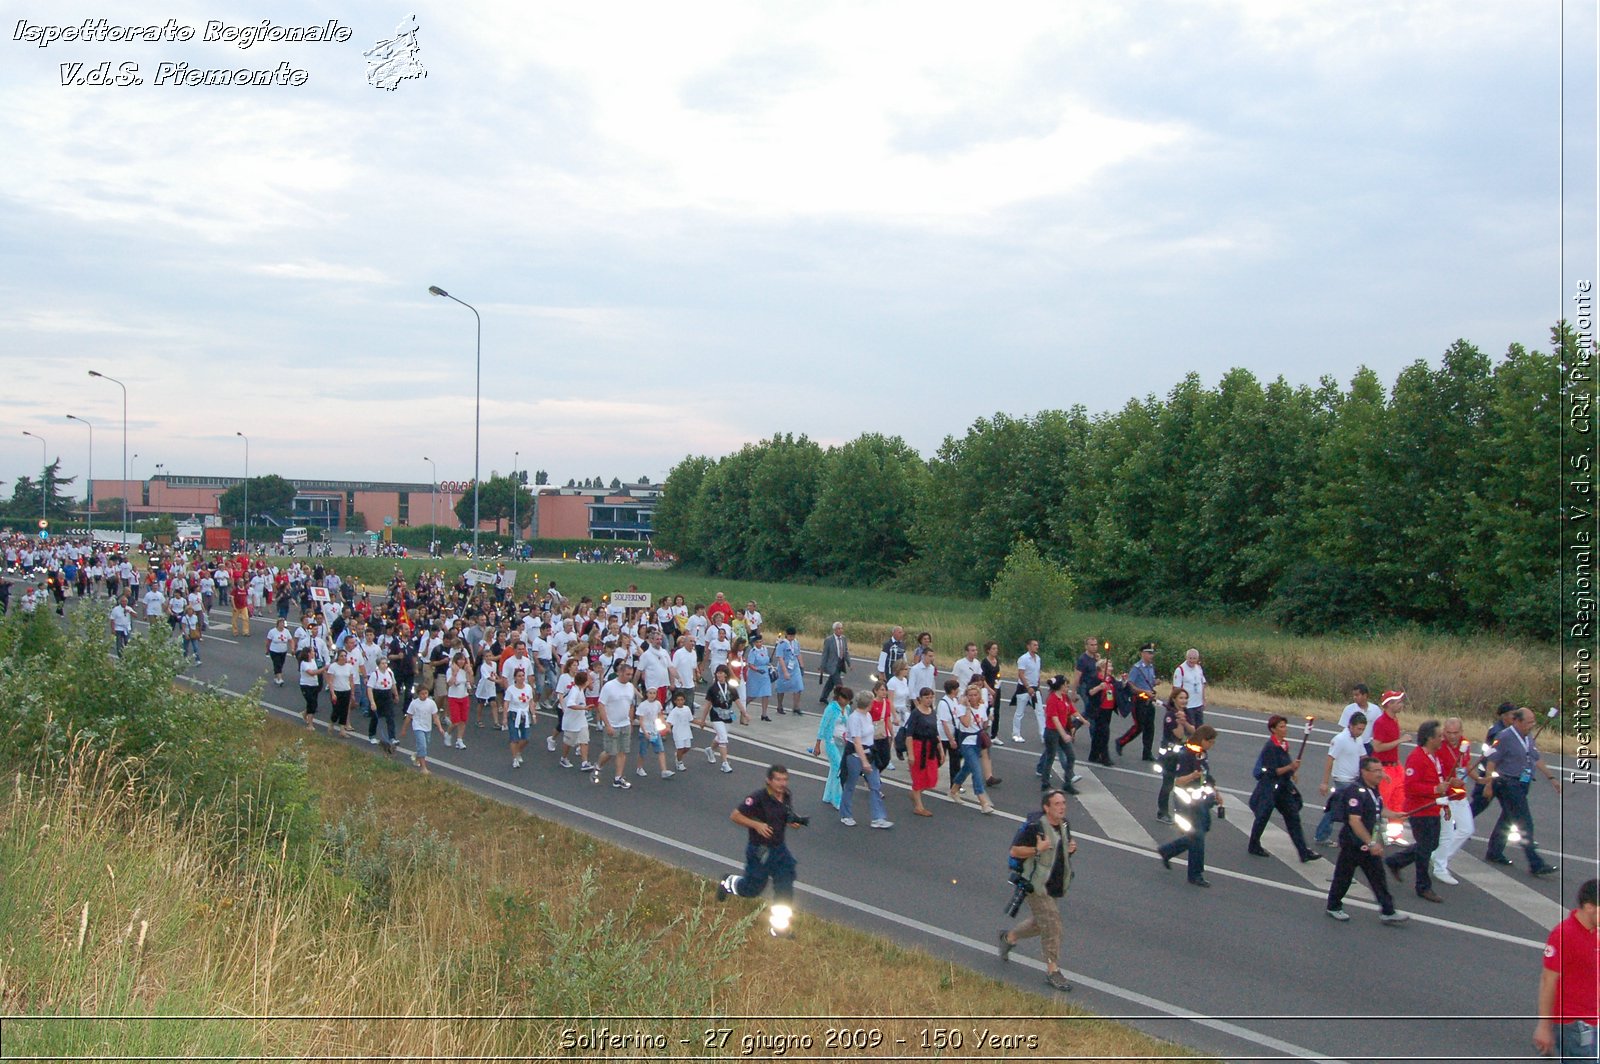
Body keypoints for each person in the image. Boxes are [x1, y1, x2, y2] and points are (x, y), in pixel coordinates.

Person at [999, 789, 1076, 992]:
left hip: (1055, 884)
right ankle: (1053, 970)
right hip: (1035, 884)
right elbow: (1014, 851)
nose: (1062, 807)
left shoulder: (1065, 824)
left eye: (1063, 803)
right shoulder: (1034, 828)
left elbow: (1061, 851)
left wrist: (1071, 849)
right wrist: (1037, 849)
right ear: (1046, 808)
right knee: (1052, 925)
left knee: (1040, 922)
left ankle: (1009, 937)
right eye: (1057, 804)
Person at [1324, 756, 1409, 925]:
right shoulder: (1355, 792)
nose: (1380, 774)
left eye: (1381, 770)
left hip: (1369, 842)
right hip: (1353, 843)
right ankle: (1333, 906)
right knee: (1344, 876)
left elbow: (1377, 810)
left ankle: (1388, 910)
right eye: (1376, 771)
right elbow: (1354, 821)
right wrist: (1370, 843)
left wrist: (1393, 814)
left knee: (1378, 877)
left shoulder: (1373, 789)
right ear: (1364, 772)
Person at [718, 765, 807, 917]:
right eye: (778, 779)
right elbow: (735, 815)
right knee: (752, 889)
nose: (782, 783)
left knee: (785, 882)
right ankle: (728, 882)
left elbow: (783, 813)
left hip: (779, 849)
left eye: (785, 779)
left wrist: (791, 820)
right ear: (769, 781)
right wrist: (756, 825)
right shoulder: (757, 798)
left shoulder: (786, 795)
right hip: (760, 850)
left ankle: (780, 927)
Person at [1485, 706, 1562, 876]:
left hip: (1522, 783)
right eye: (1528, 722)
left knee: (1507, 818)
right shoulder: (1504, 737)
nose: (1531, 725)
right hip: (1508, 784)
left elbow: (1535, 758)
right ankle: (1535, 863)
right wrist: (1488, 784)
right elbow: (1491, 761)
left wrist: (1552, 778)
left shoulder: (1527, 737)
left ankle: (1494, 851)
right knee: (1524, 823)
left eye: (1533, 722)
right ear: (1517, 721)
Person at [1384, 719, 1450, 903]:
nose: (1442, 739)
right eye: (1439, 736)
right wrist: (1435, 790)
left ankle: (1396, 861)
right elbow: (1411, 787)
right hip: (1420, 810)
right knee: (1425, 848)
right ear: (1429, 738)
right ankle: (1423, 886)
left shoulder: (1435, 756)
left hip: (1433, 808)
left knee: (1430, 844)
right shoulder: (1417, 758)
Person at [1534, 878, 1599, 1061]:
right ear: (1589, 907)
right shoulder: (1564, 935)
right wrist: (1544, 1027)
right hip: (1574, 1025)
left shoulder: (1594, 932)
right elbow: (1548, 981)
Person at [1246, 715, 1322, 864]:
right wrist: (1290, 767)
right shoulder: (1270, 747)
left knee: (1293, 818)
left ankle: (1303, 851)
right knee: (1262, 817)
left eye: (1285, 726)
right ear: (1273, 729)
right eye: (1281, 726)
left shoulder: (1284, 744)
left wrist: (1292, 773)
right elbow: (1272, 771)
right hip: (1270, 788)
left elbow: (1285, 764)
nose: (1284, 729)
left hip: (1283, 788)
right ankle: (1253, 844)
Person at [1156, 725, 1223, 887]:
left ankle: (1168, 850)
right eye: (1211, 742)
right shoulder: (1186, 755)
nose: (1212, 746)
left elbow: (1207, 775)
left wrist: (1216, 792)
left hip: (1200, 800)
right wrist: (1193, 775)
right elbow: (1178, 781)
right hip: (1186, 801)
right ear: (1203, 740)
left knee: (1204, 828)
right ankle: (1195, 874)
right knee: (1197, 836)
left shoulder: (1201, 753)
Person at [1433, 716, 1483, 885]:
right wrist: (1447, 782)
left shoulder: (1465, 744)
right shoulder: (1439, 746)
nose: (1452, 736)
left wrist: (1478, 779)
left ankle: (1440, 856)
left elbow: (1466, 766)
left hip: (1459, 793)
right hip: (1444, 796)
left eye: (1456, 732)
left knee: (1467, 829)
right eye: (1448, 732)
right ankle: (1440, 866)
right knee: (1445, 834)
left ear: (1461, 731)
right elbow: (1435, 771)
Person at [839, 692, 893, 829]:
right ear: (869, 704)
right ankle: (846, 815)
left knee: (875, 785)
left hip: (869, 754)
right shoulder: (854, 718)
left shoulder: (867, 716)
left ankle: (878, 817)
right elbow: (857, 742)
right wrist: (864, 762)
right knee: (850, 785)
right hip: (855, 756)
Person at [1314, 712, 1368, 846]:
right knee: (1338, 809)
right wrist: (1324, 782)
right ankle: (1322, 836)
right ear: (1350, 726)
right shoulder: (1340, 739)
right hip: (1342, 780)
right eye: (1358, 729)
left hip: (1353, 779)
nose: (1360, 732)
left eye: (1363, 729)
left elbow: (1363, 757)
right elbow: (1330, 760)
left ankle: (1328, 835)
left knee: (1344, 809)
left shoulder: (1358, 739)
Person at [595, 662, 636, 788]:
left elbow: (630, 705)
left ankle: (618, 777)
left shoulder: (630, 687)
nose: (629, 677)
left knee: (623, 751)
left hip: (625, 724)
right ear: (620, 673)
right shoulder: (609, 686)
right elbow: (601, 705)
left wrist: (631, 721)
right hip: (612, 723)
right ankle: (598, 766)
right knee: (610, 752)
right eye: (627, 674)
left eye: (631, 674)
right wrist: (607, 724)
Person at [1037, 675, 1080, 794]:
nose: (1067, 688)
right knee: (1050, 757)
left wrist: (1081, 719)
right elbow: (1054, 719)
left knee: (1071, 756)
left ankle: (1067, 782)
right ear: (1060, 686)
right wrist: (1064, 734)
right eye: (1066, 686)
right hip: (1052, 732)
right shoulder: (1052, 699)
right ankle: (1045, 783)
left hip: (1062, 731)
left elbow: (1072, 710)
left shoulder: (1064, 698)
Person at [1154, 689, 1193, 823]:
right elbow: (1179, 734)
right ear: (1174, 699)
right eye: (1181, 698)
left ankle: (1183, 811)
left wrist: (1185, 720)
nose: (1184, 701)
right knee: (1168, 784)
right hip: (1169, 755)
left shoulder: (1186, 712)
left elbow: (1193, 730)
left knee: (1185, 784)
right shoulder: (1170, 715)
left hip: (1183, 755)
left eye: (1185, 698)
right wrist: (1180, 722)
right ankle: (1162, 812)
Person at [905, 687, 944, 818]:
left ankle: (914, 793)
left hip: (930, 746)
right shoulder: (916, 713)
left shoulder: (932, 712)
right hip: (918, 746)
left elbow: (936, 732)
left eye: (931, 697)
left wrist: (941, 750)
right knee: (919, 776)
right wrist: (910, 754)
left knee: (932, 777)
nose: (929, 700)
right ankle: (919, 806)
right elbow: (909, 734)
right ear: (920, 698)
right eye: (926, 697)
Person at [1117, 642, 1159, 760]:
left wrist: (1155, 683)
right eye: (1148, 653)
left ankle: (1147, 753)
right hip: (1139, 700)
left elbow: (1149, 682)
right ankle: (1121, 742)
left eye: (1152, 653)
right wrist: (1144, 692)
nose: (1151, 656)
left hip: (1149, 701)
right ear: (1142, 654)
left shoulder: (1150, 667)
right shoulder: (1137, 668)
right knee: (1139, 726)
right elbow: (1131, 685)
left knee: (1150, 728)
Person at [696, 664, 737, 774]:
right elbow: (707, 705)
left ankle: (710, 749)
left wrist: (744, 713)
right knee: (723, 738)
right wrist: (702, 720)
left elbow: (737, 700)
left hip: (727, 715)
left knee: (720, 736)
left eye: (721, 672)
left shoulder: (730, 687)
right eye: (718, 673)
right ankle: (724, 763)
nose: (719, 674)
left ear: (726, 674)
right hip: (716, 715)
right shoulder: (713, 689)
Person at [813, 685, 849, 808]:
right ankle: (837, 799)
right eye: (846, 699)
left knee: (834, 769)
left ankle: (828, 795)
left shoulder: (847, 708)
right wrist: (818, 744)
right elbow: (823, 726)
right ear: (840, 698)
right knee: (839, 768)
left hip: (843, 742)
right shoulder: (831, 709)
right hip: (831, 741)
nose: (848, 702)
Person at [1011, 638, 1043, 744]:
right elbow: (1021, 674)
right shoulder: (1023, 659)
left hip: (1035, 688)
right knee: (1020, 712)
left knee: (1040, 712)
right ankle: (1016, 734)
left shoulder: (1038, 658)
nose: (1036, 647)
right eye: (1034, 645)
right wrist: (1027, 686)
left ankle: (1043, 735)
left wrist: (1038, 684)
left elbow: (1037, 672)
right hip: (1024, 689)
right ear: (1028, 646)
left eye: (1037, 645)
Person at [405, 685, 443, 775]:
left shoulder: (431, 703)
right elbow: (409, 716)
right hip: (418, 727)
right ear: (418, 694)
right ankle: (423, 768)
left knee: (425, 744)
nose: (425, 695)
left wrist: (440, 727)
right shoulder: (414, 703)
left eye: (426, 693)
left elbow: (435, 716)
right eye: (422, 694)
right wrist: (404, 729)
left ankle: (417, 756)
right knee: (423, 746)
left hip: (427, 727)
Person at [367, 655, 400, 753]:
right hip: (378, 695)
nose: (385, 665)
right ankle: (372, 735)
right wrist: (372, 702)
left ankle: (392, 737)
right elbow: (369, 688)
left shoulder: (390, 673)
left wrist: (396, 695)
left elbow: (393, 684)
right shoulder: (375, 674)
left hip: (387, 695)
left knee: (390, 717)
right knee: (375, 717)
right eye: (383, 663)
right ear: (378, 664)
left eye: (386, 663)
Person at [504, 666, 535, 769]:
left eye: (523, 676)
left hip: (524, 715)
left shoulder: (528, 688)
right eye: (519, 676)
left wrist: (533, 714)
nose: (521, 678)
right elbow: (506, 703)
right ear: (515, 678)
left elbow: (530, 701)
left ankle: (518, 752)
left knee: (526, 738)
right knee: (514, 738)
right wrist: (504, 717)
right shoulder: (511, 689)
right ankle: (514, 758)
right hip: (513, 714)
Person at [324, 648, 359, 736]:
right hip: (336, 691)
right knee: (336, 710)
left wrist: (352, 693)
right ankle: (331, 723)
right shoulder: (333, 667)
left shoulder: (349, 667)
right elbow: (330, 681)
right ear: (338, 657)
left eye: (345, 656)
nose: (343, 658)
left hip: (346, 691)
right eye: (341, 656)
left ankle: (342, 730)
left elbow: (351, 681)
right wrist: (332, 693)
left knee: (344, 710)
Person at [771, 627, 803, 715]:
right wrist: (785, 672)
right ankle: (779, 706)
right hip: (784, 666)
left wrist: (801, 665)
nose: (792, 638)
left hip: (794, 667)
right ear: (787, 635)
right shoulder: (782, 643)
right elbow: (780, 658)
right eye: (790, 636)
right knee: (781, 687)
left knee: (798, 686)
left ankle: (796, 707)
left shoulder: (796, 642)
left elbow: (798, 653)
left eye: (793, 636)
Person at [818, 622, 850, 708]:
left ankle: (823, 697)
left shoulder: (843, 639)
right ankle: (843, 699)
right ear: (835, 630)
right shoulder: (829, 640)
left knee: (830, 682)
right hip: (832, 665)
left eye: (841, 628)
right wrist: (822, 666)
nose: (840, 630)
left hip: (840, 664)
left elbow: (846, 651)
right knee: (839, 684)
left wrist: (849, 663)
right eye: (839, 628)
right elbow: (825, 654)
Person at [1172, 648, 1207, 727]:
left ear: (1197, 659)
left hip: (1198, 705)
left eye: (1194, 658)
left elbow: (1202, 684)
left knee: (1199, 729)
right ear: (1186, 658)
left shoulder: (1198, 668)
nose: (1192, 660)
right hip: (1187, 706)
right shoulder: (1180, 670)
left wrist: (1203, 699)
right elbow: (1176, 689)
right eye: (1190, 658)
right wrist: (1178, 706)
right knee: (1190, 729)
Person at [745, 633, 774, 721]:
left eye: (760, 642)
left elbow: (766, 660)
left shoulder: (765, 649)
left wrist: (770, 663)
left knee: (766, 694)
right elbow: (750, 664)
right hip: (755, 675)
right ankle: (743, 707)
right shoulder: (753, 651)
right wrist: (757, 670)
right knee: (752, 695)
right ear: (754, 643)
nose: (759, 644)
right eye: (757, 642)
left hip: (764, 674)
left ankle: (764, 714)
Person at [265, 618, 292, 686]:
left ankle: (276, 676)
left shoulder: (286, 631)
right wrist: (267, 650)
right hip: (274, 651)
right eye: (281, 623)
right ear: (278, 624)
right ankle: (280, 679)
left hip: (283, 651)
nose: (282, 625)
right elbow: (268, 641)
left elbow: (291, 640)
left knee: (281, 664)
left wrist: (292, 648)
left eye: (283, 623)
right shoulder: (272, 631)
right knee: (277, 663)